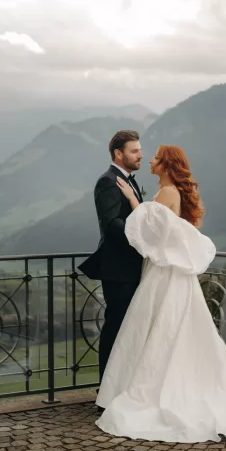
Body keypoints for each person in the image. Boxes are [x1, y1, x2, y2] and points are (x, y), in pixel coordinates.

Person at [95, 145, 226, 443]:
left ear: (168, 165)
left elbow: (153, 230)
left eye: (156, 158)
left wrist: (134, 200)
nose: (150, 160)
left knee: (165, 330)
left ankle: (165, 389)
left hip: (164, 275)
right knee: (169, 330)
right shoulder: (168, 192)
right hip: (166, 273)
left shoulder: (169, 192)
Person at [78, 130, 144, 383]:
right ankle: (106, 389)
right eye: (134, 150)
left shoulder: (129, 180)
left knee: (128, 329)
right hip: (119, 269)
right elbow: (111, 223)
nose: (140, 155)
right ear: (119, 153)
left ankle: (124, 384)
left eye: (139, 150)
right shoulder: (108, 181)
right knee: (115, 328)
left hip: (132, 267)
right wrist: (142, 238)